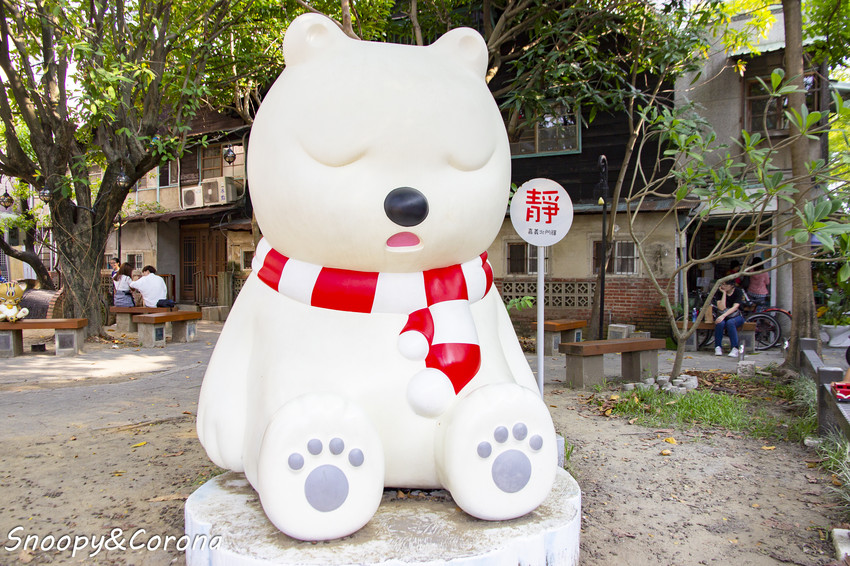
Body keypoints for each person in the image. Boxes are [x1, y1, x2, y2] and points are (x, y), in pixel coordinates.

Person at [714, 280, 746, 357]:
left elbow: (735, 307)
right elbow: (722, 307)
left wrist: (723, 316)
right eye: (722, 284)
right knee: (720, 323)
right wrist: (724, 293)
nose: (723, 286)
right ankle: (717, 346)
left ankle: (735, 348)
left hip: (736, 316)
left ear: (731, 285)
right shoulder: (719, 292)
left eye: (725, 285)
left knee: (730, 323)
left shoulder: (738, 292)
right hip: (723, 315)